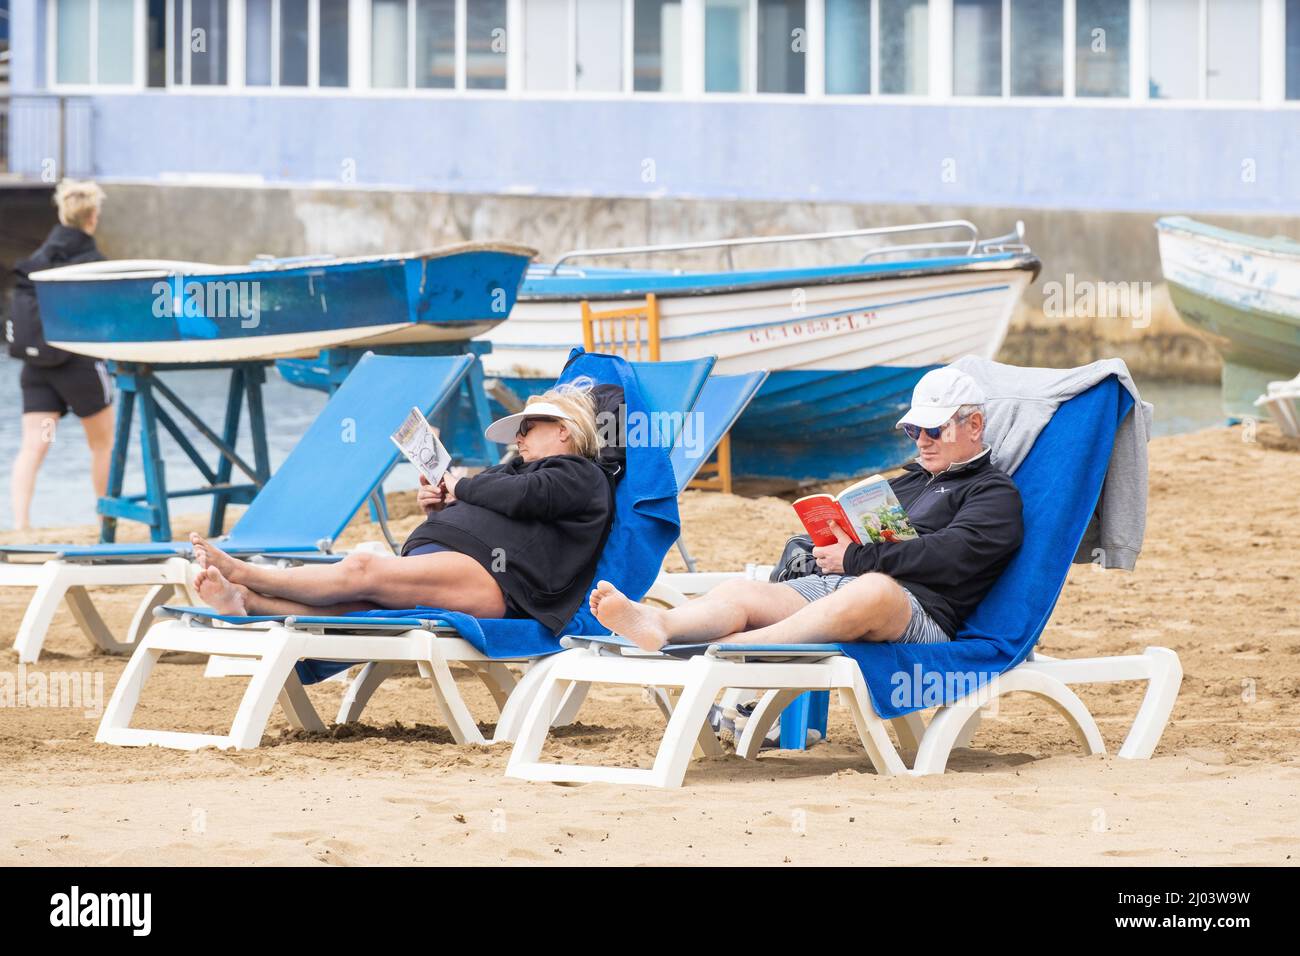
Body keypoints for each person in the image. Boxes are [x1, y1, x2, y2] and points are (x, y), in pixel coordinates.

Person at [589, 367, 1025, 651]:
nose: (921, 439)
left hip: (916, 612)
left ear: (974, 425)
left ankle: (740, 648)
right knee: (745, 591)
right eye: (913, 428)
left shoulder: (993, 494)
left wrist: (854, 557)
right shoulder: (908, 480)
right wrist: (823, 546)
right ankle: (660, 624)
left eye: (934, 428)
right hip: (841, 587)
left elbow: (951, 556)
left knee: (874, 590)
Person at [190, 383, 620, 633]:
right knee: (362, 607)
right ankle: (246, 601)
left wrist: (460, 486)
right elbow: (503, 514)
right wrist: (442, 511)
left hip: (498, 584)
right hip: (471, 569)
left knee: (361, 569)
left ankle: (247, 572)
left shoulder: (579, 474)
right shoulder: (519, 471)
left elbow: (523, 500)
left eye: (528, 428)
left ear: (563, 432)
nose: (518, 439)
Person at [8, 180, 114, 531]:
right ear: (93, 217)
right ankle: (105, 520)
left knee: (34, 446)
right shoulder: (93, 262)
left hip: (36, 366)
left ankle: (20, 525)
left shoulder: (36, 260)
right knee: (102, 445)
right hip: (78, 367)